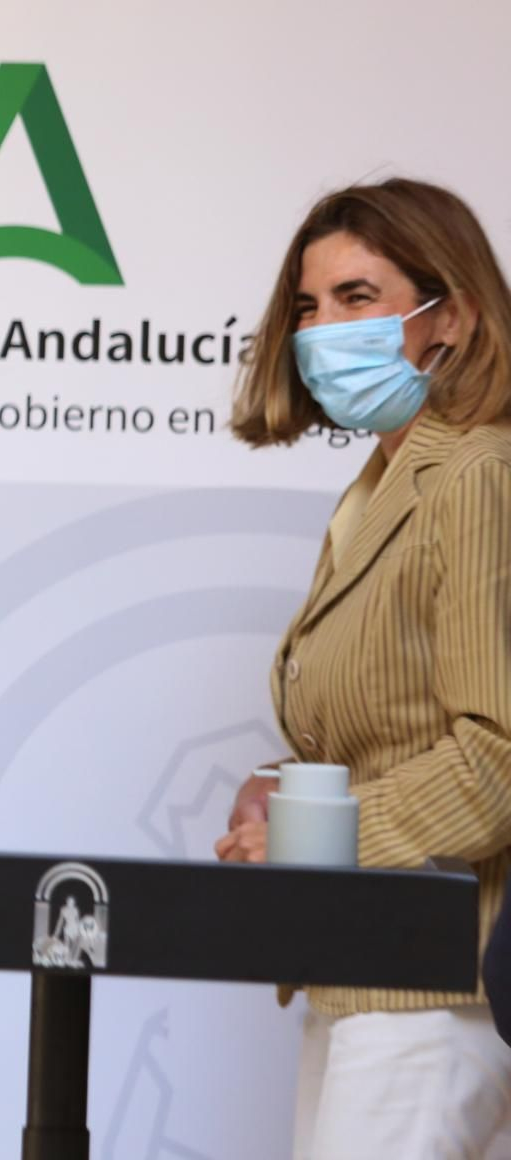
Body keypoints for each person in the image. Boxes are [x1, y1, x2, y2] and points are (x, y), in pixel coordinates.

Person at [215, 178, 511, 1158]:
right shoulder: (384, 481)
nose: (319, 329)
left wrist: (319, 833)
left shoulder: (476, 476)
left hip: (435, 984)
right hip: (359, 965)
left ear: (452, 317)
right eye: (307, 304)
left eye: (356, 298)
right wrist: (284, 788)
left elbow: (496, 756)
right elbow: (396, 721)